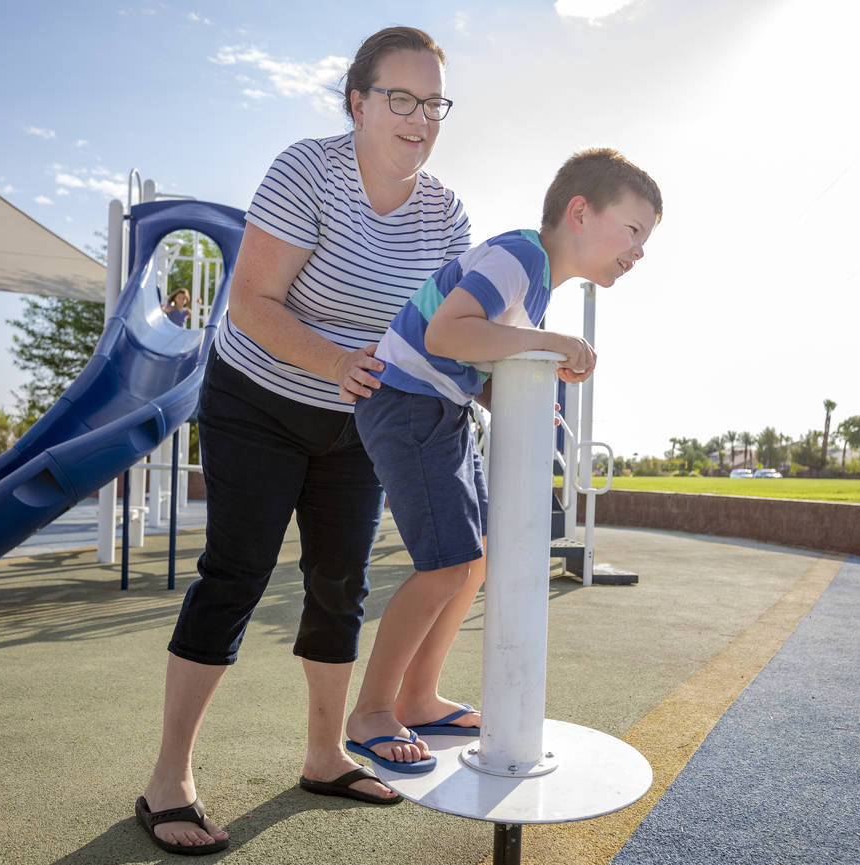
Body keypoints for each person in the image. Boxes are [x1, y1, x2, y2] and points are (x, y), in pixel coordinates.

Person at [136, 26, 477, 856]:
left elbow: (456, 332)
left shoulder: (447, 215)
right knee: (237, 571)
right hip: (258, 395)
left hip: (359, 415)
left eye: (434, 102)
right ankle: (168, 779)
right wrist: (336, 362)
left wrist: (517, 374)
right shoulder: (307, 168)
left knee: (340, 581)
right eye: (402, 98)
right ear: (357, 103)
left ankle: (325, 757)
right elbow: (251, 300)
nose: (420, 117)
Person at [345, 148, 663, 772]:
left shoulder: (534, 284)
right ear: (579, 211)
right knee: (445, 565)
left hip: (440, 406)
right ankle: (372, 711)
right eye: (633, 230)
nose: (639, 250)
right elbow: (446, 335)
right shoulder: (519, 256)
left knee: (474, 558)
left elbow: (472, 359)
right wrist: (549, 342)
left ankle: (418, 695)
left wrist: (511, 396)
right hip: (407, 401)